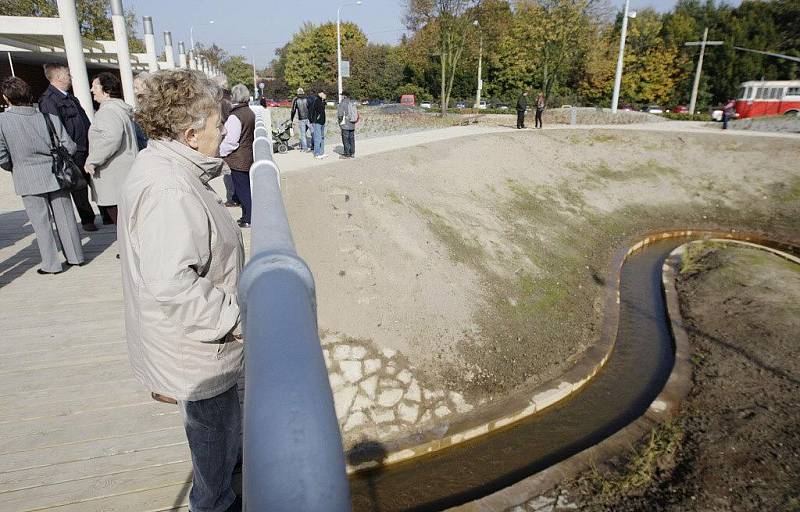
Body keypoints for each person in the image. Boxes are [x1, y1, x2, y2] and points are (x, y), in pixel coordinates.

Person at [118, 69, 243, 512]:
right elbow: (172, 281)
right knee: (212, 459)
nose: (225, 128)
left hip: (191, 344)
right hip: (194, 350)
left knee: (219, 442)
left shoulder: (168, 169)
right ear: (191, 135)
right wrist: (234, 317)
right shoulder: (171, 188)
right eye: (217, 123)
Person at [0, 77, 85, 274]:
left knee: (41, 223)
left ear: (6, 98)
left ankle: (51, 264)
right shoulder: (49, 117)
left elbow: (2, 154)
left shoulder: (2, 122)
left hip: (26, 176)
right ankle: (75, 256)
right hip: (57, 174)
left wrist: (14, 166)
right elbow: (70, 146)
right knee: (66, 217)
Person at [38, 63, 102, 230]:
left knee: (97, 182)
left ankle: (106, 214)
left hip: (87, 147)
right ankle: (88, 220)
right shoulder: (48, 100)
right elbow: (54, 129)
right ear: (58, 77)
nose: (71, 78)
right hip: (72, 151)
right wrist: (69, 149)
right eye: (68, 74)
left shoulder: (71, 98)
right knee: (79, 187)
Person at [85, 72, 138, 225]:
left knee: (123, 224)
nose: (91, 90)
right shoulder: (120, 109)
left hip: (114, 179)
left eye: (95, 86)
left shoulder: (107, 111)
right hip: (124, 175)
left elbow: (112, 137)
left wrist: (92, 160)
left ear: (106, 90)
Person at [219, 84, 255, 228]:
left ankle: (248, 218)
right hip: (248, 154)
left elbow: (231, 141)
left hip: (239, 158)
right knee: (246, 187)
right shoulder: (249, 112)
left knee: (242, 189)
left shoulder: (235, 116)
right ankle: (248, 216)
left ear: (234, 96)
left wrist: (221, 152)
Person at [337, 90, 358, 159]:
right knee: (351, 139)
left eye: (342, 95)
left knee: (345, 139)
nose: (341, 96)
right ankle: (352, 153)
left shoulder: (342, 103)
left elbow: (340, 115)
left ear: (344, 96)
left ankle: (347, 154)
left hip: (345, 124)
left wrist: (340, 123)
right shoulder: (352, 103)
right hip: (352, 123)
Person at [290, 87, 312, 152]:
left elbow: (293, 110)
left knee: (303, 134)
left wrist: (292, 119)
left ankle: (304, 148)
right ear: (303, 92)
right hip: (309, 118)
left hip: (301, 119)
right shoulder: (307, 99)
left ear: (297, 92)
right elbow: (310, 108)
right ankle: (314, 146)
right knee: (313, 132)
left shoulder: (296, 99)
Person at [309, 91, 328, 159]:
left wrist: (324, 101)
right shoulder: (316, 101)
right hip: (317, 122)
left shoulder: (321, 101)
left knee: (322, 137)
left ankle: (321, 152)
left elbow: (322, 108)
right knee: (318, 138)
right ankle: (316, 154)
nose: (325, 95)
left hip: (322, 122)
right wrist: (312, 120)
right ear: (320, 94)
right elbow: (316, 110)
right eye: (324, 94)